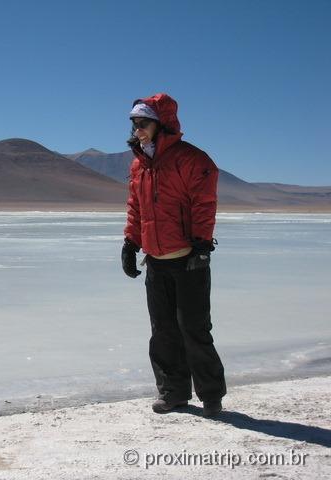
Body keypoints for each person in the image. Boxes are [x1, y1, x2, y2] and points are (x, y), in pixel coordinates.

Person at [121, 92, 226, 417]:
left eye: (143, 123)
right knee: (163, 331)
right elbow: (136, 208)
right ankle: (173, 393)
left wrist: (201, 245)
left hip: (188, 260)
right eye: (134, 123)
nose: (138, 129)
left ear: (160, 124)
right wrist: (130, 243)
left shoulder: (191, 159)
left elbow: (204, 203)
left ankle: (211, 397)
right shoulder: (139, 165)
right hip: (156, 261)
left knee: (194, 329)